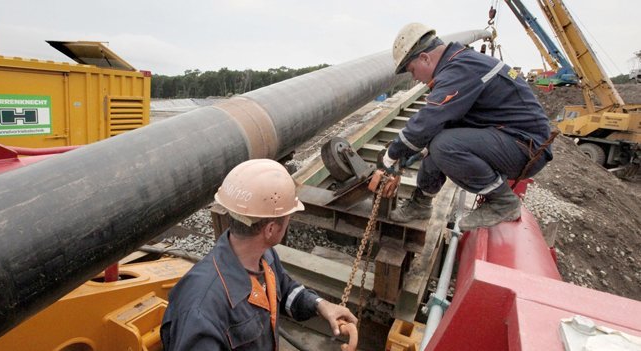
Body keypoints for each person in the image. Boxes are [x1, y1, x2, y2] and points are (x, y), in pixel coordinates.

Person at [161, 159, 357, 350]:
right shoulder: (201, 310)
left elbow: (286, 290)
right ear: (270, 229)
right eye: (289, 216)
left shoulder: (265, 257)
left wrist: (321, 305)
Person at [383, 23, 552, 231]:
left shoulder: (459, 69)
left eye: (412, 70)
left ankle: (503, 202)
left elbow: (428, 120)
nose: (415, 78)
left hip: (525, 147)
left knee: (444, 145)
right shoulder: (460, 63)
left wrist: (392, 154)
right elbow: (437, 125)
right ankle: (421, 204)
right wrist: (416, 152)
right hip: (510, 138)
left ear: (425, 58)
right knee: (436, 139)